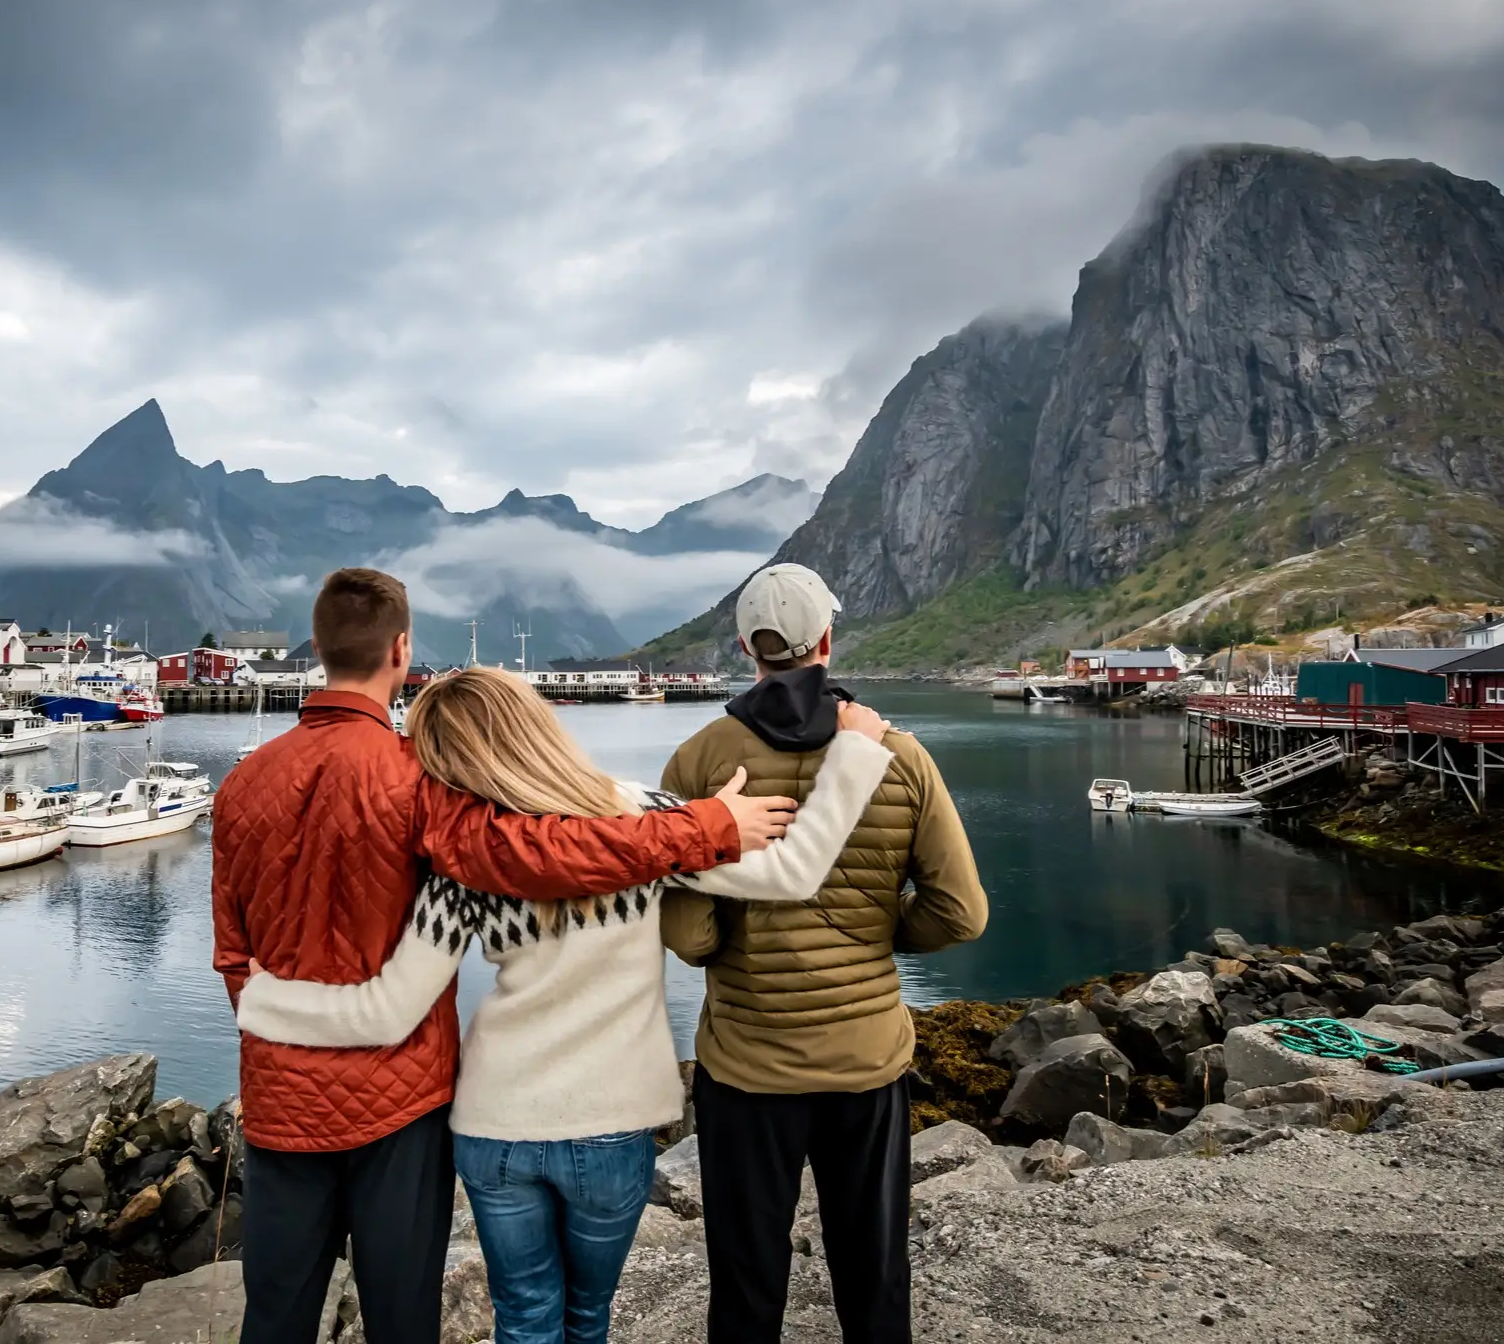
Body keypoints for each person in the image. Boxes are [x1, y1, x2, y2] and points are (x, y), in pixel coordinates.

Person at [211, 568, 801, 1344]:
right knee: (402, 1315)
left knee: (276, 1316)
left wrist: (266, 1017)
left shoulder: (240, 784)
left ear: (317, 648)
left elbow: (232, 955)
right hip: (399, 1103)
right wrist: (706, 828)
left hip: (283, 1098)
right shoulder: (408, 778)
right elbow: (535, 852)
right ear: (401, 648)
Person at [659, 562, 991, 1344]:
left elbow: (686, 935)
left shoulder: (700, 760)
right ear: (828, 642)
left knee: (744, 1274)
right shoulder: (898, 757)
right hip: (865, 1058)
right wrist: (877, 931)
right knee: (872, 1269)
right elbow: (960, 913)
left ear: (746, 646)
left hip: (746, 1064)